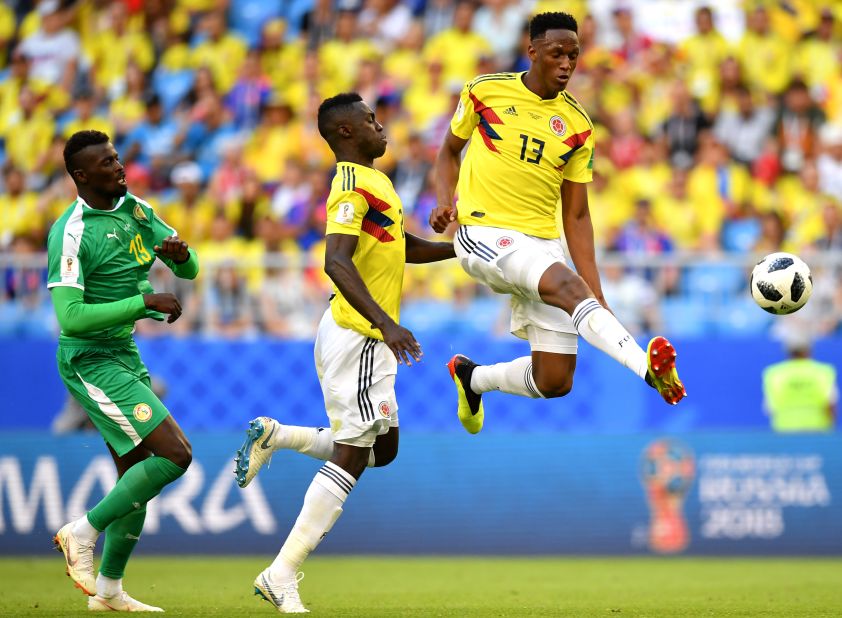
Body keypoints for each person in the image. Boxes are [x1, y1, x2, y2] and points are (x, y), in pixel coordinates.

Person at [233, 93, 455, 613]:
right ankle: (281, 573)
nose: (382, 126)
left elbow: (406, 248)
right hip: (359, 334)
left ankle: (279, 435)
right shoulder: (351, 185)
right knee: (354, 454)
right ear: (347, 133)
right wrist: (387, 323)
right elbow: (336, 260)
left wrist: (465, 249)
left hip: (367, 336)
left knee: (384, 450)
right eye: (371, 120)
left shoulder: (377, 182)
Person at [429, 12, 686, 435]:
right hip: (484, 233)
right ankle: (647, 370)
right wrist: (444, 200)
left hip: (541, 245)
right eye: (556, 54)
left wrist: (595, 291)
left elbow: (578, 214)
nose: (566, 63)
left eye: (573, 55)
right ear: (532, 51)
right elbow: (448, 151)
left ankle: (473, 379)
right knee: (568, 288)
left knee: (554, 380)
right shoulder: (485, 91)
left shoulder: (579, 126)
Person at [48, 130, 198, 612]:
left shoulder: (136, 209)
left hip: (124, 354)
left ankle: (108, 591)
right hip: (89, 358)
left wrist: (181, 256)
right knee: (175, 455)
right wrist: (143, 301)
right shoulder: (70, 232)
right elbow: (69, 317)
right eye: (107, 162)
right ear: (81, 175)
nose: (119, 167)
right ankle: (82, 531)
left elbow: (191, 267)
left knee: (137, 474)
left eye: (117, 158)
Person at [763, 332, 837, 432]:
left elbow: (770, 408)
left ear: (787, 352)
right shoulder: (823, 371)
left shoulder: (774, 373)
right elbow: (830, 403)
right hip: (817, 428)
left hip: (784, 428)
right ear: (808, 350)